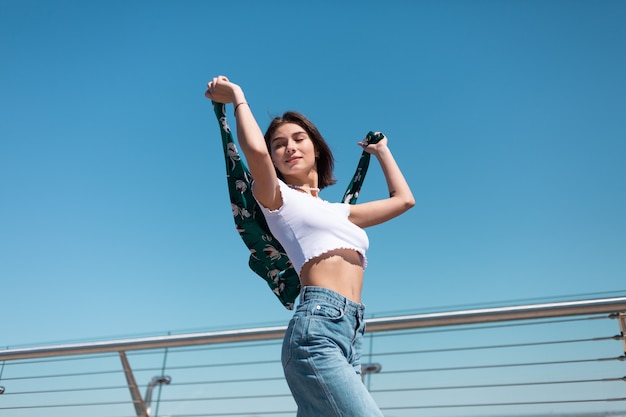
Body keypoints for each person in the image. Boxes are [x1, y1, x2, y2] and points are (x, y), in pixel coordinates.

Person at [205, 75, 415, 417]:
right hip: (316, 329)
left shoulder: (340, 211)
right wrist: (238, 97)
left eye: (299, 139)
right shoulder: (275, 197)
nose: (289, 147)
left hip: (352, 331)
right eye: (279, 144)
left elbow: (404, 200)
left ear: (315, 148)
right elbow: (253, 150)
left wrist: (381, 152)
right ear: (272, 159)